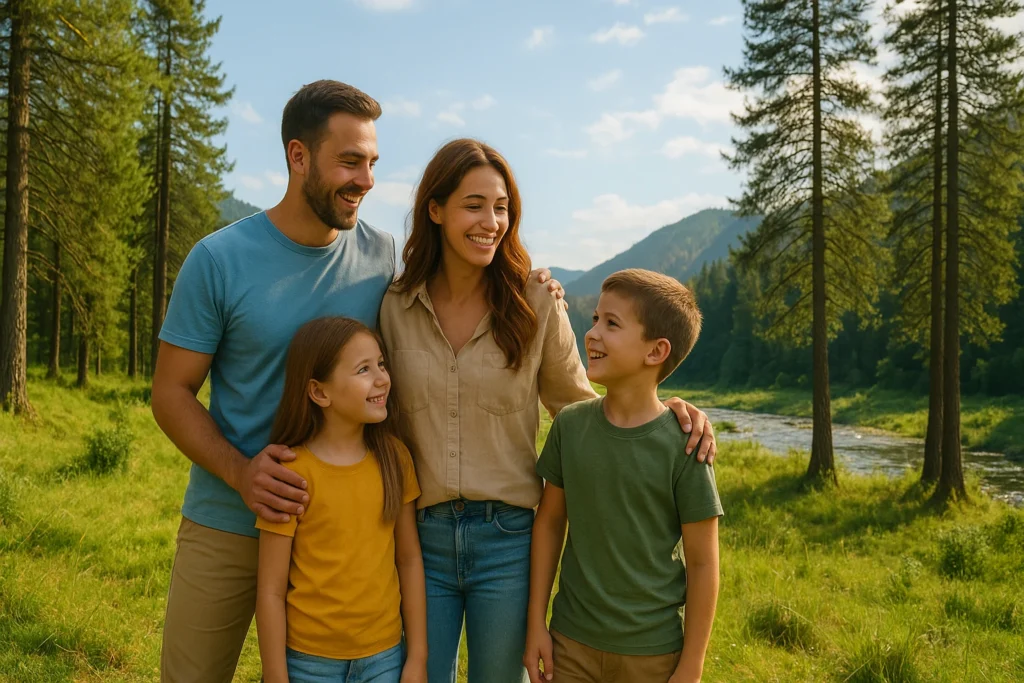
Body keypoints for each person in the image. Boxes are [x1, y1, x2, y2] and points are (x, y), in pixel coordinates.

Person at [152, 79, 568, 682]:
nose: (366, 180)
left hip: (346, 533)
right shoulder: (218, 259)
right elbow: (169, 393)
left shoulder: (382, 259)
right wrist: (242, 473)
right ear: (298, 157)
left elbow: (449, 302)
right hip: (230, 517)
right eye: (350, 161)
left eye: (372, 162)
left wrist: (537, 283)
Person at [379, 140, 719, 683]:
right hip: (418, 541)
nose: (490, 221)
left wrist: (666, 407)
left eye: (501, 207)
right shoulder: (394, 305)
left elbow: (588, 406)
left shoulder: (535, 303)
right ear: (435, 210)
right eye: (473, 205)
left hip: (508, 543)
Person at [524, 269, 723, 683]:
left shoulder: (686, 444)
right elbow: (548, 523)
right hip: (569, 645)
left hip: (653, 654)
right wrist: (535, 624)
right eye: (595, 319)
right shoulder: (570, 425)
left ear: (655, 351)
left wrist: (691, 666)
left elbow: (703, 564)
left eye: (611, 323)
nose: (592, 333)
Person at [255, 316, 426, 683]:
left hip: (384, 658)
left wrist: (418, 659)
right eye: (363, 369)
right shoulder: (290, 473)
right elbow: (270, 589)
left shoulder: (395, 459)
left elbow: (409, 560)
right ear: (319, 392)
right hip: (308, 664)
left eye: (381, 364)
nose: (381, 378)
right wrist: (275, 675)